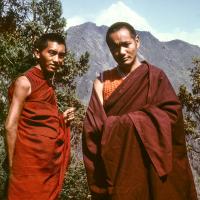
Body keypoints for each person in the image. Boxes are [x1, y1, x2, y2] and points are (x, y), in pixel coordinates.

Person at [82, 22, 197, 200]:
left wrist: (124, 123)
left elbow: (173, 116)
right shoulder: (102, 82)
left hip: (152, 163)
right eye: (114, 47)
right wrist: (132, 123)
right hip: (119, 165)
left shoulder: (155, 76)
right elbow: (93, 128)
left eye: (126, 44)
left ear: (137, 41)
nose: (121, 52)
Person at [5, 33, 75, 200]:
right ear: (37, 53)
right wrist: (13, 166)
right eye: (52, 53)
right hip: (27, 166)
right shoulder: (25, 82)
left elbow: (41, 119)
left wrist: (61, 119)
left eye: (61, 55)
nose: (57, 59)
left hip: (47, 168)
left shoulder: (48, 82)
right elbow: (10, 126)